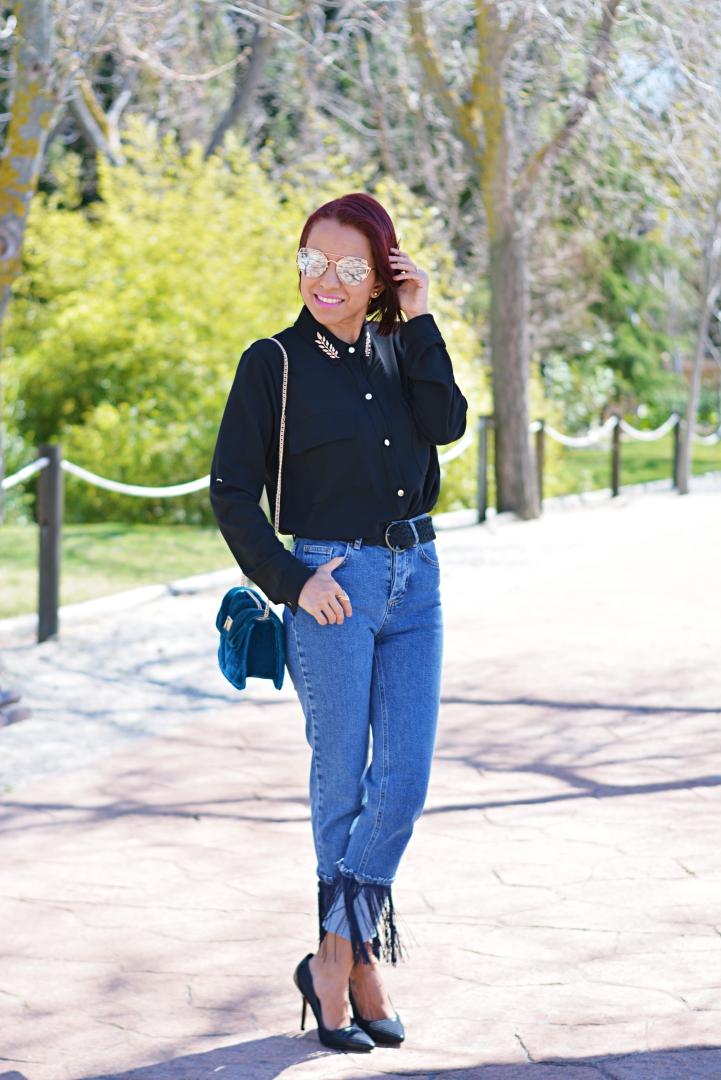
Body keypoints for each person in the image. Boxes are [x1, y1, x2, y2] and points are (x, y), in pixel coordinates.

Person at [209, 192, 468, 1052]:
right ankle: (349, 965)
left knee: (404, 781)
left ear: (380, 274)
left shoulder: (402, 350)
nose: (327, 279)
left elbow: (449, 424)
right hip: (332, 584)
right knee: (343, 778)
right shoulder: (272, 363)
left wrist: (421, 319)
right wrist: (289, 580)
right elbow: (231, 489)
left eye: (350, 267)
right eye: (312, 260)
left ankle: (337, 946)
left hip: (416, 578)